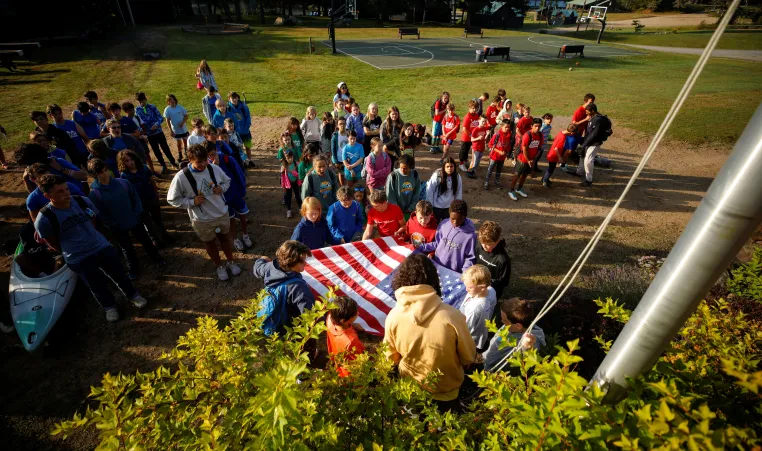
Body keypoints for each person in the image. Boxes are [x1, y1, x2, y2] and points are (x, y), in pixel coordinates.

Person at [34, 174, 148, 322]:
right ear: (48, 196)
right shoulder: (44, 218)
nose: (66, 193)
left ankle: (133, 295)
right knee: (96, 285)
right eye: (60, 192)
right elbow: (51, 241)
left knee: (119, 274)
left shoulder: (82, 201)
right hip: (79, 258)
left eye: (66, 189)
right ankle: (109, 307)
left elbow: (93, 219)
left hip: (101, 247)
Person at [383, 254, 476, 412]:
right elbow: (468, 357)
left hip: (411, 389)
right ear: (433, 279)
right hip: (447, 391)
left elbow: (390, 357)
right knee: (447, 432)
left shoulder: (393, 316)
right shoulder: (453, 316)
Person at [167, 144, 242, 281]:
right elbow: (172, 199)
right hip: (201, 219)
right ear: (190, 160)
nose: (203, 164)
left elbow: (227, 181)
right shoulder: (181, 177)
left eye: (205, 160)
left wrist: (222, 188)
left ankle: (231, 261)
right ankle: (219, 266)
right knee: (210, 242)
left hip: (221, 212)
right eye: (198, 162)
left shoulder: (214, 168)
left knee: (225, 238)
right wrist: (191, 202)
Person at [87, 158, 164, 279]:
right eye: (100, 172)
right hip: (117, 227)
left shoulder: (123, 183)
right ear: (94, 175)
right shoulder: (95, 194)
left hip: (134, 220)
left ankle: (157, 258)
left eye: (105, 170)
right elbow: (101, 213)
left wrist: (137, 212)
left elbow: (135, 198)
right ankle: (133, 269)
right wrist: (113, 224)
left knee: (146, 241)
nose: (104, 174)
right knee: (127, 248)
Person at [253, 240, 315, 331]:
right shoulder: (298, 288)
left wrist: (262, 259)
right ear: (292, 262)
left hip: (272, 322)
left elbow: (257, 269)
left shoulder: (270, 268)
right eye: (302, 261)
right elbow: (310, 316)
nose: (305, 263)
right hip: (289, 328)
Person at [118, 150, 173, 247]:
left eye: (131, 159)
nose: (130, 162)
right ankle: (155, 240)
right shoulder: (124, 175)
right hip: (139, 203)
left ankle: (165, 236)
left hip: (151, 198)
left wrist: (156, 194)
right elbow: (127, 192)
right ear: (123, 163)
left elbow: (151, 181)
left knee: (158, 220)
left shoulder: (143, 168)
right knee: (147, 223)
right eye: (127, 161)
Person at [205, 141, 252, 251]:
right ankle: (235, 239)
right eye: (208, 156)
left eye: (212, 154)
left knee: (243, 216)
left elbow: (239, 175)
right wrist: (213, 167)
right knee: (231, 221)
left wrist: (242, 191)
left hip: (236, 194)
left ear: (216, 150)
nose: (211, 157)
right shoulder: (206, 166)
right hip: (223, 199)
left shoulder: (227, 159)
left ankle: (245, 235)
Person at [483, 298, 545, 372]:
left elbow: (524, 360)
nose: (502, 321)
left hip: (499, 373)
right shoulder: (511, 327)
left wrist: (526, 348)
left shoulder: (530, 341)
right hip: (488, 361)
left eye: (504, 320)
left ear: (518, 326)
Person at [419, 199, 476, 272]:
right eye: (453, 219)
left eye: (459, 219)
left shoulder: (470, 236)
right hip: (437, 266)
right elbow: (437, 243)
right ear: (449, 214)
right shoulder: (443, 224)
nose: (455, 222)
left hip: (454, 272)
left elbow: (470, 258)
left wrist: (465, 273)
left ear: (465, 216)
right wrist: (422, 247)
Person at [16, 143, 87, 193]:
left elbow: (83, 176)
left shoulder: (57, 162)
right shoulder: (31, 173)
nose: (28, 167)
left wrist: (61, 169)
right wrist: (26, 180)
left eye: (28, 164)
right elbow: (36, 194)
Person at [135, 92, 178, 173]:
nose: (141, 103)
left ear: (145, 99)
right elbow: (139, 122)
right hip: (149, 135)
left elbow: (160, 118)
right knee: (156, 151)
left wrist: (156, 125)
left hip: (158, 132)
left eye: (143, 100)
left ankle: (173, 163)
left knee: (165, 148)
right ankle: (163, 166)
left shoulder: (152, 107)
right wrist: (144, 131)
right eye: (139, 101)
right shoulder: (137, 110)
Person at [459, 264, 498, 352]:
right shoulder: (491, 290)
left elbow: (466, 328)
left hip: (470, 338)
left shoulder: (475, 309)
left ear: (482, 287)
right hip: (481, 329)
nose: (466, 290)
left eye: (469, 287)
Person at [326, 295, 365, 378]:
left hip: (337, 358)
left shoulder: (330, 317)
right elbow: (361, 358)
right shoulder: (351, 340)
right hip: (350, 372)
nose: (358, 313)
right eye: (355, 314)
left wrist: (352, 325)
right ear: (344, 321)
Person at [508, 118, 544, 201]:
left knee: (524, 175)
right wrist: (528, 160)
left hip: (531, 160)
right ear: (531, 126)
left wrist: (534, 159)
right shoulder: (527, 135)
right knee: (517, 175)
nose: (537, 128)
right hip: (522, 159)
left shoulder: (540, 135)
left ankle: (519, 189)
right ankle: (511, 190)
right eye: (535, 126)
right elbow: (524, 149)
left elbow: (539, 148)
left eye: (539, 126)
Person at [475, 221, 511, 300]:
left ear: (497, 241)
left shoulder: (503, 259)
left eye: (489, 244)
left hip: (491, 291)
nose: (484, 246)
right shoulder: (478, 245)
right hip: (476, 284)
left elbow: (504, 281)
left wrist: (487, 283)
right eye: (482, 243)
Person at [575, 103, 609, 187]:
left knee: (588, 160)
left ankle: (588, 180)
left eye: (587, 112)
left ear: (592, 111)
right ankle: (579, 172)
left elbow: (594, 135)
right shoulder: (593, 117)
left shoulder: (597, 120)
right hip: (588, 141)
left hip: (594, 143)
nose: (586, 113)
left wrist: (584, 145)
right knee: (582, 155)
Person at [47, 103, 89, 168]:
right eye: (56, 114)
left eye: (60, 113)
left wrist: (88, 148)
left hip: (82, 152)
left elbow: (85, 137)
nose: (59, 116)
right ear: (50, 116)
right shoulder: (53, 129)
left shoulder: (72, 123)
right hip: (69, 157)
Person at [425, 157, 463, 223]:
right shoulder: (437, 176)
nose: (449, 169)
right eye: (447, 166)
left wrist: (457, 208)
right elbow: (430, 191)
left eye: (451, 166)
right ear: (444, 167)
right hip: (436, 206)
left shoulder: (457, 177)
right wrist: (430, 207)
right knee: (435, 224)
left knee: (447, 225)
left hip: (449, 207)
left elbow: (458, 193)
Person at [385, 154, 420, 221]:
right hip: (396, 211)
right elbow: (390, 196)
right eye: (401, 168)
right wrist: (398, 210)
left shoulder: (415, 175)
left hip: (410, 211)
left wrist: (411, 208)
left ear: (411, 167)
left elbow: (416, 193)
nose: (403, 170)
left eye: (405, 168)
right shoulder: (393, 176)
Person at [544, 123, 577, 188]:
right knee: (551, 169)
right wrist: (560, 158)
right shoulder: (563, 137)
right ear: (572, 133)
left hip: (552, 154)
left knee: (551, 168)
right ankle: (544, 181)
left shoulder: (561, 132)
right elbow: (556, 149)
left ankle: (545, 179)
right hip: (553, 155)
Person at [484, 119, 512, 190]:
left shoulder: (509, 135)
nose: (507, 129)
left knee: (499, 170)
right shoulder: (497, 135)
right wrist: (499, 151)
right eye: (506, 127)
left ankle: (497, 181)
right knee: (490, 169)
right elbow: (490, 145)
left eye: (508, 127)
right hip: (494, 156)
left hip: (502, 157)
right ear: (501, 126)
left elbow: (508, 146)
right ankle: (487, 181)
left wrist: (506, 153)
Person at [227, 92, 252, 163]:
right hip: (235, 133)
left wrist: (247, 127)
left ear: (238, 98)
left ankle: (250, 160)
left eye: (235, 98)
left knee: (248, 146)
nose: (234, 100)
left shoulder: (243, 107)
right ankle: (243, 161)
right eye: (232, 98)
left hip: (245, 131)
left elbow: (248, 117)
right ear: (229, 99)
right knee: (239, 148)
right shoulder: (228, 108)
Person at [163, 94, 189, 162]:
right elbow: (167, 120)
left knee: (185, 141)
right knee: (178, 142)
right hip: (176, 130)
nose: (172, 101)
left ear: (175, 99)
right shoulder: (167, 109)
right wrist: (170, 130)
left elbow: (186, 116)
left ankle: (186, 153)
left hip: (183, 128)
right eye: (170, 100)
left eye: (173, 99)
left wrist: (182, 123)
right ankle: (180, 154)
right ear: (168, 101)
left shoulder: (180, 107)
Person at [459, 100, 481, 172]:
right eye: (473, 108)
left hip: (472, 138)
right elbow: (464, 128)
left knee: (468, 149)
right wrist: (470, 135)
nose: (474, 110)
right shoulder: (467, 117)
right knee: (463, 150)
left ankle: (465, 160)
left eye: (476, 108)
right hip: (466, 138)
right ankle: (461, 163)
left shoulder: (477, 116)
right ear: (469, 108)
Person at [280, 148, 301, 218]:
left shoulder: (296, 164)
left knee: (298, 195)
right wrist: (283, 187)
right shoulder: (284, 167)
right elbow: (282, 178)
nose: (290, 159)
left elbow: (299, 173)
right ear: (285, 158)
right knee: (288, 197)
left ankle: (301, 208)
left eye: (291, 157)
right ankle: (289, 210)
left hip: (295, 182)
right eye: (288, 158)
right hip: (288, 184)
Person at [330, 116, 348, 186]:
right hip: (339, 158)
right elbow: (333, 149)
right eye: (340, 124)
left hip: (347, 158)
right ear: (337, 125)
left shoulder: (348, 134)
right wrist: (335, 161)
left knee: (347, 173)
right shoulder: (335, 136)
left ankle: (347, 187)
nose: (342, 125)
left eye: (344, 123)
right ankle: (342, 186)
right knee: (341, 174)